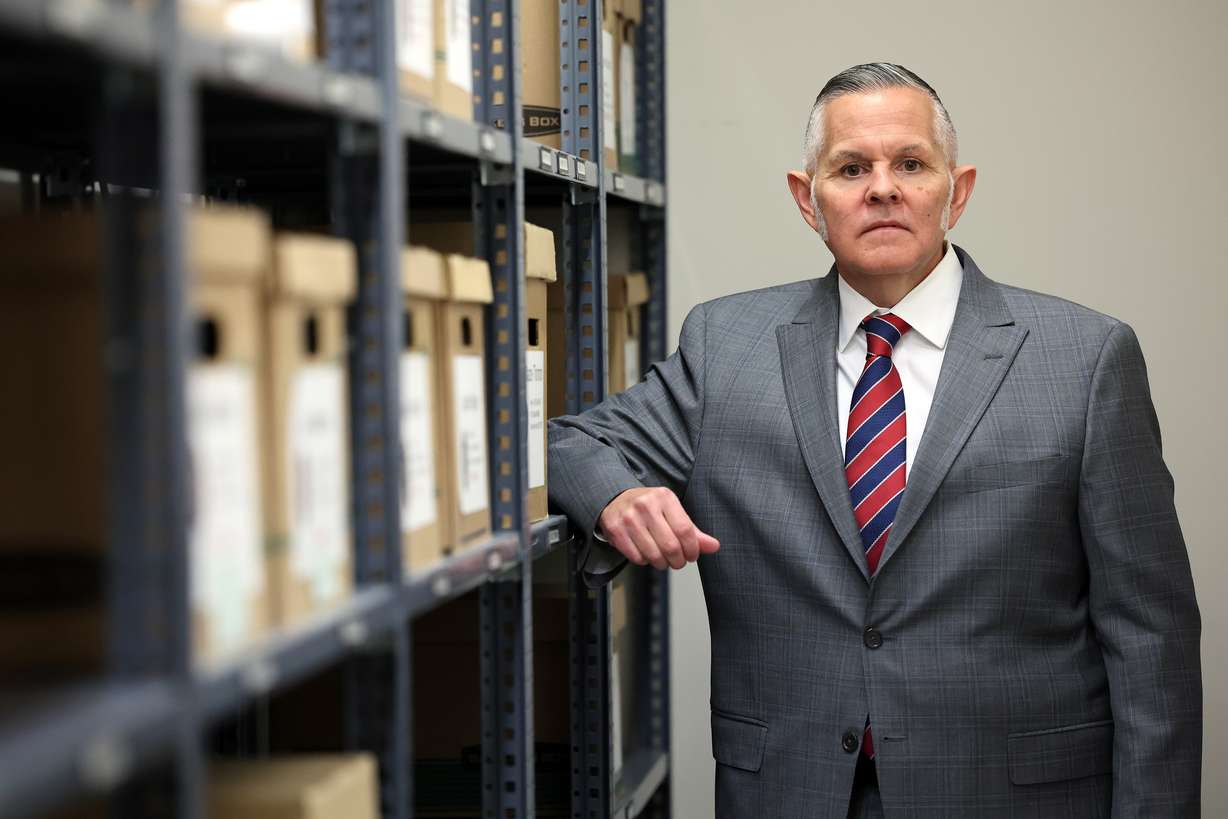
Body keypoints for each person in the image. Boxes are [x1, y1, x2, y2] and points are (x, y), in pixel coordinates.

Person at [546, 63, 1202, 818]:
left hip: (1013, 794)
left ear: (957, 190)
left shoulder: (1084, 358)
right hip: (795, 790)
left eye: (912, 164)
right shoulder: (726, 345)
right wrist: (619, 495)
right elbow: (568, 444)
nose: (882, 188)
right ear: (807, 199)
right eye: (851, 167)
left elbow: (1150, 638)